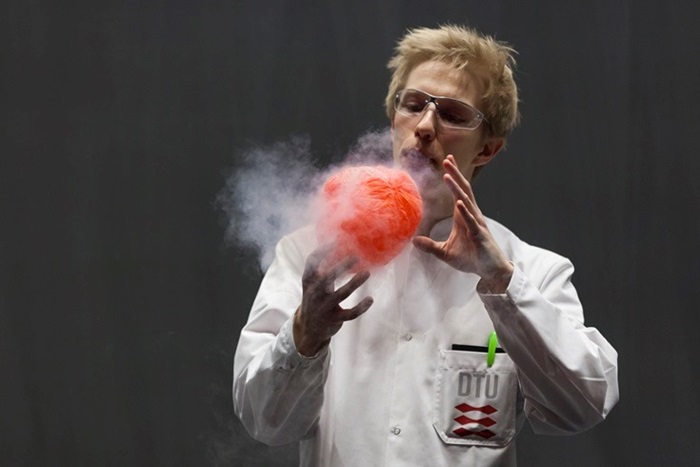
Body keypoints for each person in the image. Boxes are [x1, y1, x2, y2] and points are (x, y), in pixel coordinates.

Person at [233, 24, 619, 466]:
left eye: (453, 115)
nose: (425, 126)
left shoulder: (532, 270)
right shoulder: (312, 256)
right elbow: (264, 421)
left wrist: (501, 283)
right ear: (393, 118)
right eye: (413, 105)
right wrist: (305, 333)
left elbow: (583, 407)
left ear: (487, 150)